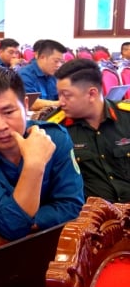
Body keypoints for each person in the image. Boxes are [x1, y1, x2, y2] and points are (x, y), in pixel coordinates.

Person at [0, 66, 84, 250]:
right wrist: (34, 165)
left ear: (26, 105)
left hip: (46, 240)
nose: (0, 126)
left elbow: (72, 206)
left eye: (8, 112)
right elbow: (12, 227)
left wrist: (26, 223)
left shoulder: (55, 138)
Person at [54, 59, 130, 203]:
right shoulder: (56, 128)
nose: (61, 102)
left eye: (67, 95)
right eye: (59, 95)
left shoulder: (126, 117)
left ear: (92, 94)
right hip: (90, 219)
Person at [17, 39, 66, 111]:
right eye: (56, 61)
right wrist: (61, 103)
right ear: (42, 57)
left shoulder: (55, 75)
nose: (59, 65)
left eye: (61, 62)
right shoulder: (25, 75)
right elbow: (31, 103)